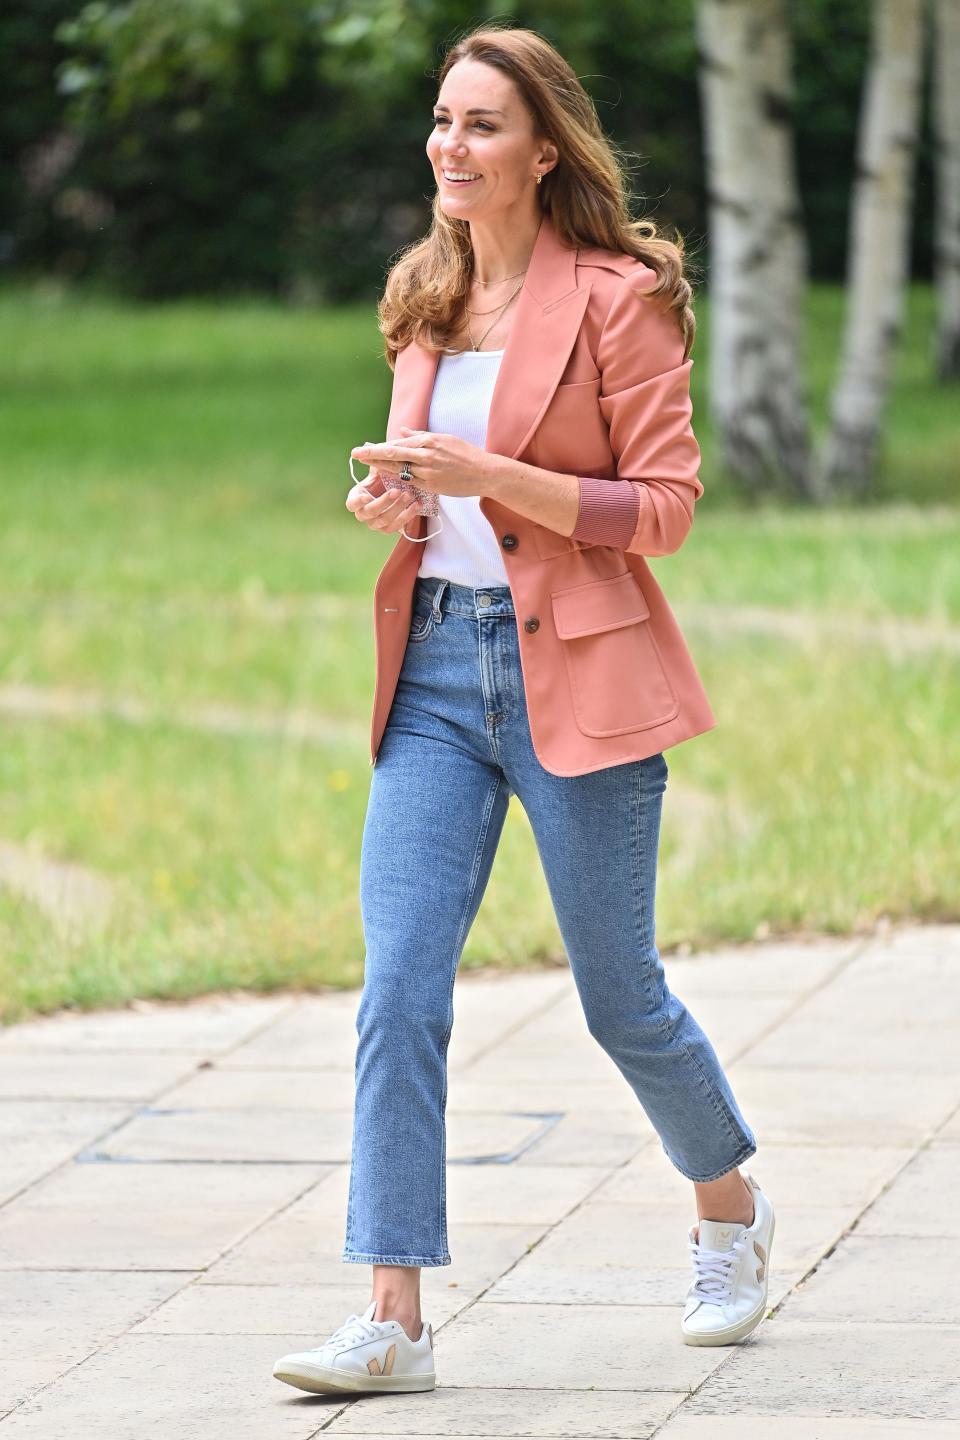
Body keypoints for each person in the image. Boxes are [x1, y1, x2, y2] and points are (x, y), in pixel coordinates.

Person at [273, 22, 775, 1399]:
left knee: (621, 997)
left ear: (544, 148)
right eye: (442, 121)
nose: (451, 145)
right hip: (435, 671)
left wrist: (493, 477)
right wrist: (402, 501)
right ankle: (392, 1316)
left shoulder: (623, 297)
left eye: (482, 124)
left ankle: (728, 1208)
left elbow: (663, 511)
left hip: (581, 675)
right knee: (399, 989)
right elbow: (441, 501)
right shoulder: (423, 298)